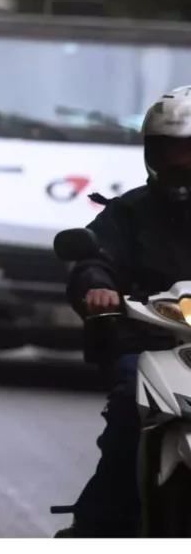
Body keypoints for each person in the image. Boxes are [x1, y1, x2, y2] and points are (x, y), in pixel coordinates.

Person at [59, 85, 191, 537]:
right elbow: (94, 258)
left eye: (189, 149)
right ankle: (98, 526)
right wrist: (98, 287)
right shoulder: (129, 212)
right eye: (169, 149)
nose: (180, 161)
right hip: (153, 347)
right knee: (128, 407)